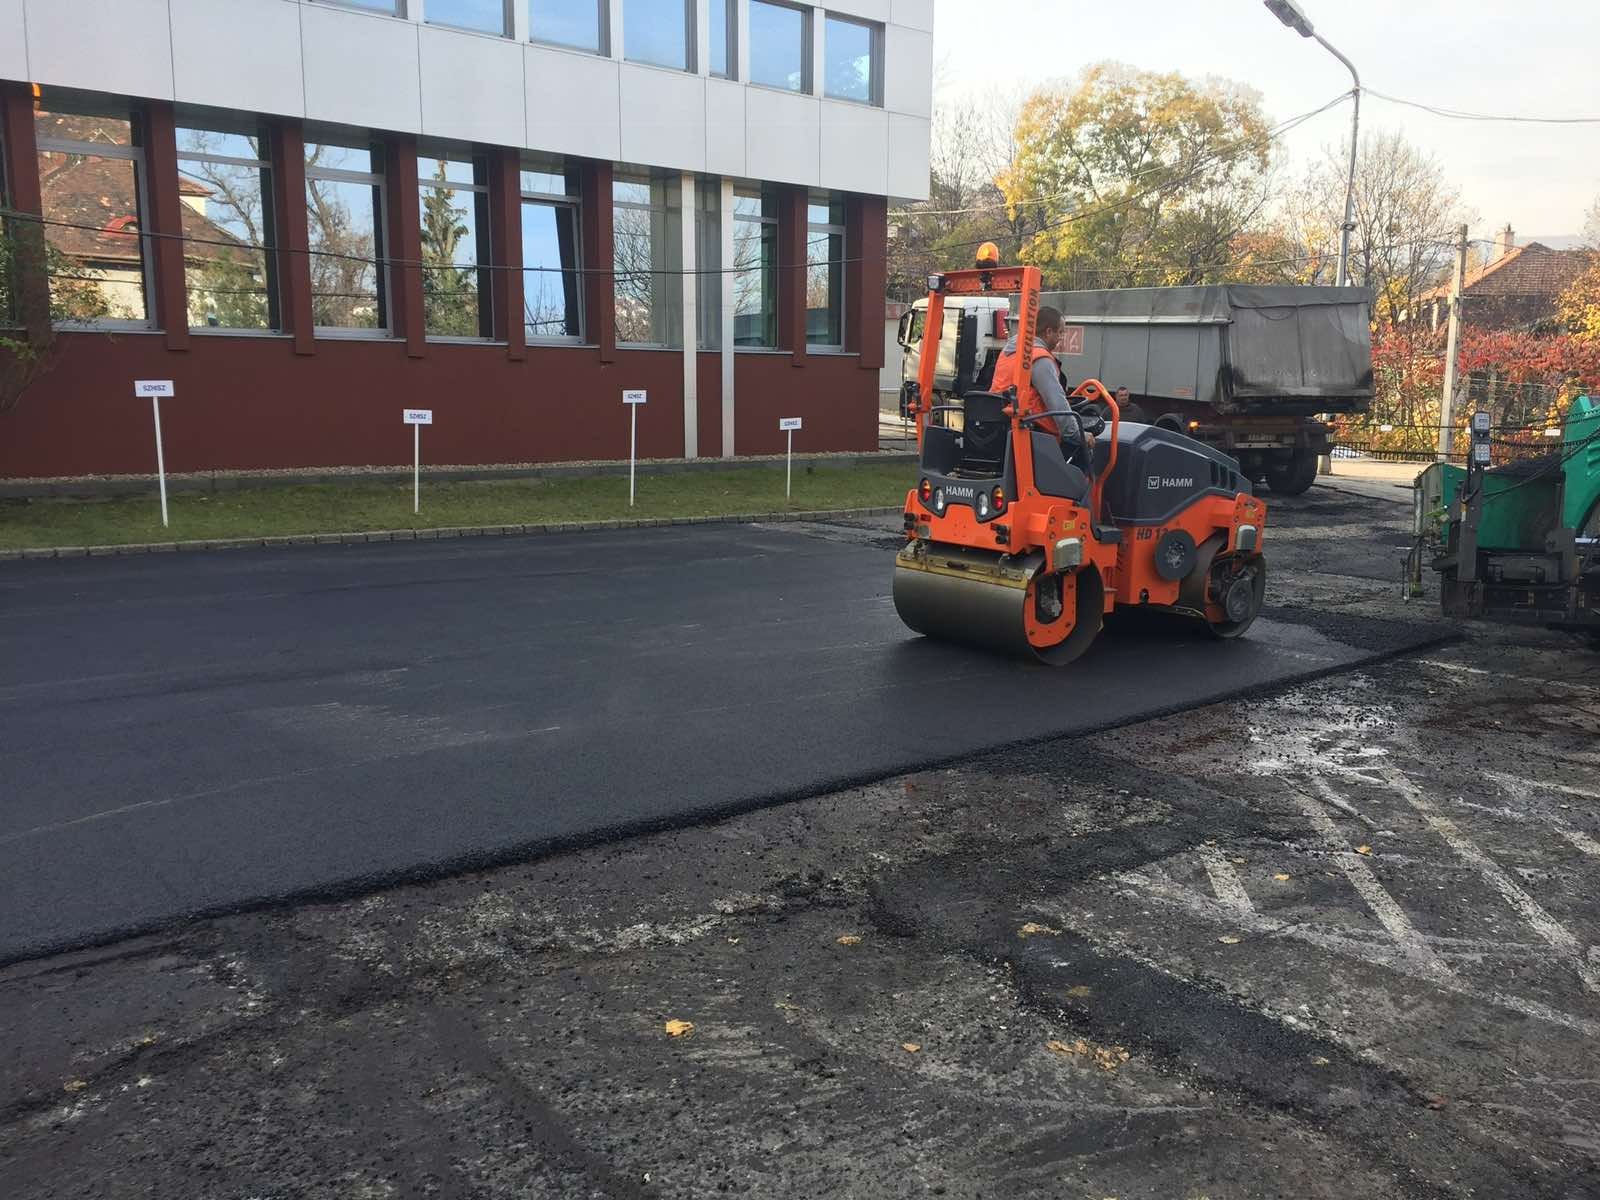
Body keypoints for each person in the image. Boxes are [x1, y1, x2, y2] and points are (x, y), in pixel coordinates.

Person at [991, 306, 1092, 462]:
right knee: (1084, 457)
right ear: (1048, 332)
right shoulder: (1039, 359)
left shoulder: (1010, 350)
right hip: (1030, 434)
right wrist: (1078, 434)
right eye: (1060, 332)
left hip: (998, 428)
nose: (1061, 338)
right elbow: (1056, 402)